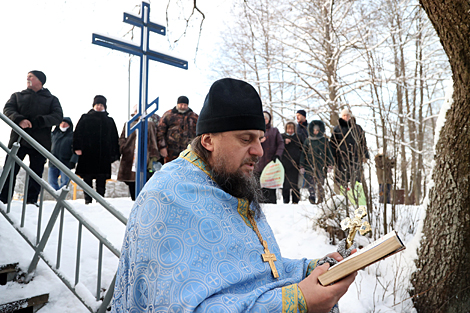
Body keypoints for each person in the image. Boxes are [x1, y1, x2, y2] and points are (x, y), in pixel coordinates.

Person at [111, 78, 356, 312]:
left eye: (260, 139)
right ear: (208, 140)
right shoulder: (167, 198)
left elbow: (256, 269)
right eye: (245, 139)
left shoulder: (229, 181)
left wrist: (311, 269)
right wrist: (296, 302)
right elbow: (178, 307)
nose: (259, 151)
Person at [0, 70, 63, 205]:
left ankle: (31, 202)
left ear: (40, 81)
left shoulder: (51, 99)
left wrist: (39, 121)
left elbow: (57, 116)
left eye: (31, 77)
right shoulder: (17, 96)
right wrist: (19, 119)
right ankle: (3, 200)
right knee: (10, 170)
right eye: (27, 76)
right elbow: (7, 110)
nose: (27, 78)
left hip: (40, 142)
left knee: (36, 173)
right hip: (18, 140)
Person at [73, 95, 119, 204]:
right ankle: (87, 199)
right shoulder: (85, 118)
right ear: (94, 105)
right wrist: (77, 147)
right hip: (87, 153)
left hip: (103, 155)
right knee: (87, 177)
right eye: (97, 104)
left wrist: (115, 154)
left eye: (101, 105)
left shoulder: (109, 120)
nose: (99, 107)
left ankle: (100, 199)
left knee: (101, 178)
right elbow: (77, 133)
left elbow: (114, 138)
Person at [117, 107, 161, 200]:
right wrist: (123, 148)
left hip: (145, 154)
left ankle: (143, 199)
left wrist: (154, 154)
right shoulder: (129, 124)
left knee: (144, 177)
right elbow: (122, 138)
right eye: (137, 111)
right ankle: (133, 199)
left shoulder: (149, 124)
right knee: (131, 178)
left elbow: (153, 139)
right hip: (130, 154)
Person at [330, 108, 369, 195]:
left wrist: (365, 155)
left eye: (347, 115)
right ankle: (341, 197)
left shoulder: (357, 128)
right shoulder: (337, 129)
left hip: (355, 158)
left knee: (355, 179)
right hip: (341, 158)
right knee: (341, 179)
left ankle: (356, 197)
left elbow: (363, 142)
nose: (346, 117)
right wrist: (332, 157)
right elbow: (332, 144)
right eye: (344, 115)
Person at [300, 120, 334, 204]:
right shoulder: (308, 140)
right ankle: (312, 197)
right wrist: (302, 165)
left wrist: (330, 164)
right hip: (310, 165)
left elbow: (329, 152)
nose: (315, 132)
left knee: (320, 182)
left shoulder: (324, 140)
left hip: (321, 165)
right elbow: (304, 153)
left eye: (317, 130)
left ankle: (321, 198)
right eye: (314, 130)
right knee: (311, 183)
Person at [157, 95, 198, 163]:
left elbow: (199, 133)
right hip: (171, 152)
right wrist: (162, 147)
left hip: (189, 152)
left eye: (185, 105)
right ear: (177, 104)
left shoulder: (194, 117)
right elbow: (160, 132)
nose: (182, 107)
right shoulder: (168, 115)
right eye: (181, 104)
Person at [255, 111, 284, 204]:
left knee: (270, 186)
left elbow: (281, 144)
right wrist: (258, 140)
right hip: (258, 163)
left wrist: (277, 155)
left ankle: (272, 203)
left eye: (266, 118)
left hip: (270, 163)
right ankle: (260, 204)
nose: (265, 120)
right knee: (259, 186)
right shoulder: (256, 131)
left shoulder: (274, 131)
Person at [48, 117, 78, 190]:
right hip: (53, 162)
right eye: (62, 123)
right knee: (51, 182)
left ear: (69, 125)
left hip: (65, 163)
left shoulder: (73, 136)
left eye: (65, 123)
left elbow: (76, 150)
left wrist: (73, 161)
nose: (63, 125)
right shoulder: (53, 135)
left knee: (65, 183)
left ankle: (61, 197)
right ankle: (56, 196)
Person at [281, 121, 303, 204]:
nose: (290, 130)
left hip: (295, 164)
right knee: (285, 184)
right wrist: (284, 142)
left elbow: (303, 148)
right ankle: (285, 200)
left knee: (295, 184)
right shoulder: (282, 136)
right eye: (288, 128)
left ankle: (295, 200)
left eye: (292, 128)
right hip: (285, 164)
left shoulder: (298, 137)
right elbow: (278, 146)